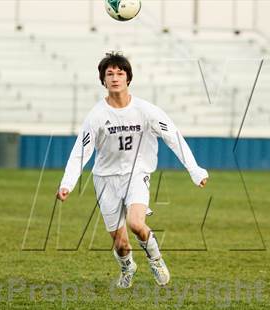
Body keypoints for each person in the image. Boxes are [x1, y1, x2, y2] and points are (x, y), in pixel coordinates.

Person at [57, 52, 208, 288]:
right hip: (105, 179)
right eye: (110, 74)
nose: (115, 77)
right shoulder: (96, 116)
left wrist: (195, 170)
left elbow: (173, 137)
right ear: (103, 81)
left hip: (137, 174)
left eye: (120, 73)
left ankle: (156, 260)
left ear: (128, 78)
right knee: (121, 244)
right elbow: (81, 151)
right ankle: (128, 266)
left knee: (136, 223)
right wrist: (67, 184)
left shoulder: (147, 110)